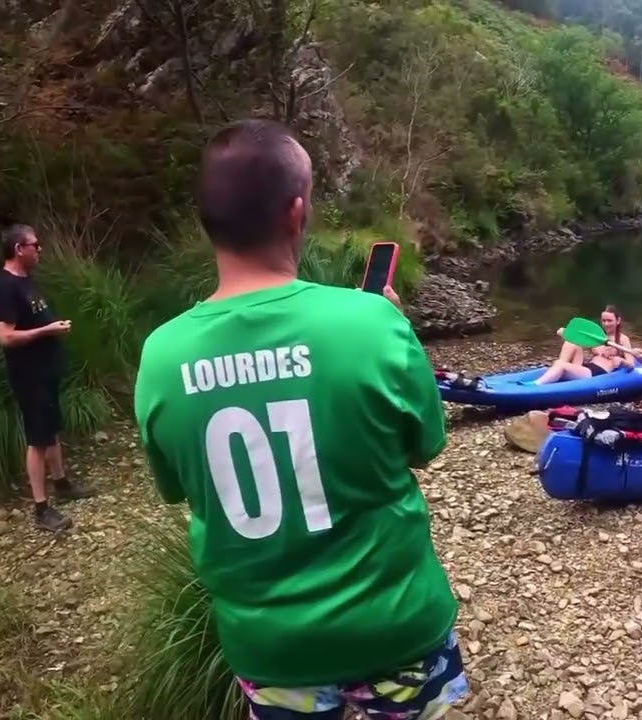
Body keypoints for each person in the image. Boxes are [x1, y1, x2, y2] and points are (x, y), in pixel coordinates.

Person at [133, 119, 467, 720]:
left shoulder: (161, 356)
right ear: (296, 212)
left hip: (270, 647)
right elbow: (425, 443)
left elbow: (177, 487)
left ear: (207, 220)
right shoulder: (371, 322)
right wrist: (395, 329)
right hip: (394, 624)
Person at [0, 223, 95, 533]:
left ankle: (62, 483)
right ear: (19, 249)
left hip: (46, 370)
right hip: (28, 374)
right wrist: (48, 331)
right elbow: (5, 337)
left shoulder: (27, 282)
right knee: (37, 439)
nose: (40, 250)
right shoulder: (5, 288)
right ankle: (41, 508)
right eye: (35, 245)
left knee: (51, 429)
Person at [531, 305, 642, 384]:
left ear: (618, 321)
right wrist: (566, 333)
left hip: (597, 373)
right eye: (604, 320)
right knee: (571, 342)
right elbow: (565, 334)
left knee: (560, 364)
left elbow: (631, 365)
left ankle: (537, 385)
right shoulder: (597, 336)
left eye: (609, 320)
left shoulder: (623, 339)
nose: (606, 324)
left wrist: (620, 361)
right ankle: (557, 370)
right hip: (587, 367)